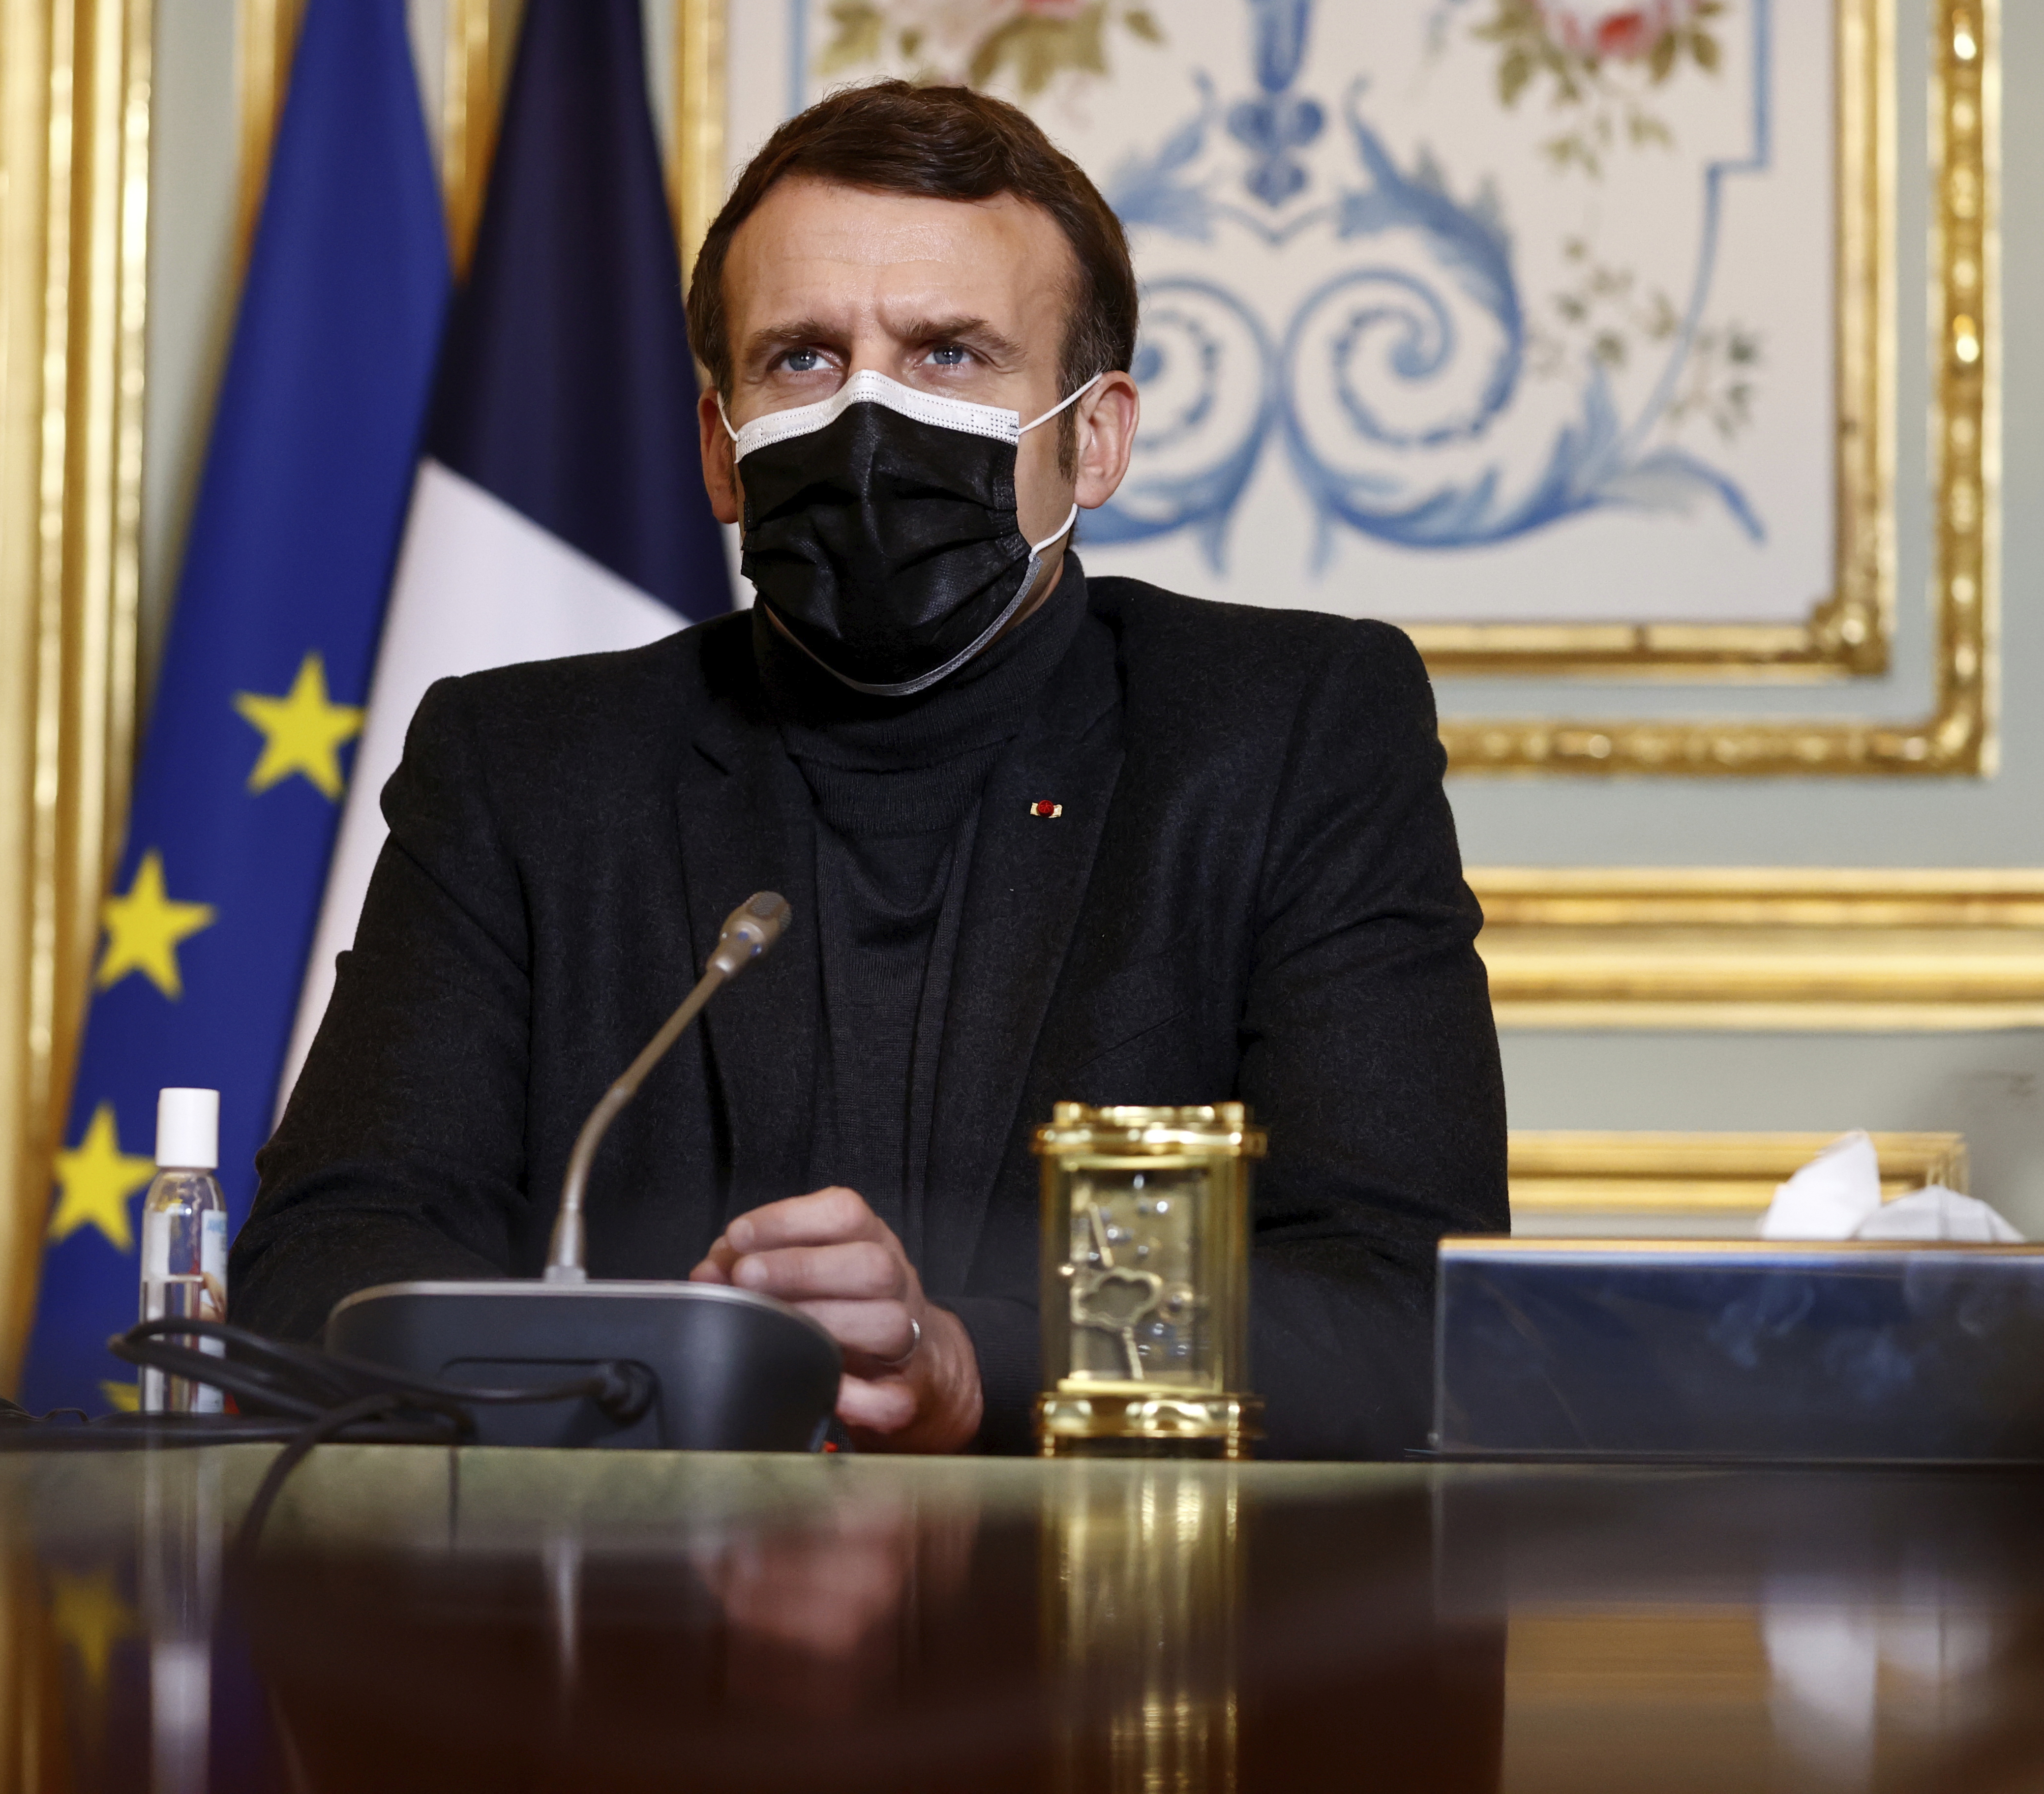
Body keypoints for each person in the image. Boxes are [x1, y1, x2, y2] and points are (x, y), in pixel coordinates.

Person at [232, 81, 1507, 1458]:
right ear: (721, 451)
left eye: (952, 355)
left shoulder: (1294, 733)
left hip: (1122, 1637)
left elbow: (1404, 1307)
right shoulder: (521, 768)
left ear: (1096, 437)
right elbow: (320, 1270)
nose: (869, 418)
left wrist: (972, 1363)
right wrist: (667, 1374)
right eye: (802, 359)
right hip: (638, 1619)